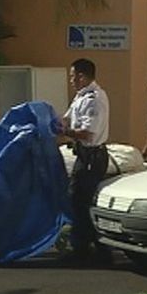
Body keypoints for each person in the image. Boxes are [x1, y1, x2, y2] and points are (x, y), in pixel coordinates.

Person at [61, 58, 111, 264]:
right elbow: (66, 119)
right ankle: (85, 246)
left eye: (73, 76)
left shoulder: (94, 99)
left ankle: (96, 249)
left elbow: (88, 134)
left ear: (82, 76)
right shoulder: (81, 97)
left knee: (81, 202)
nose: (71, 81)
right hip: (83, 156)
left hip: (92, 158)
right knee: (77, 200)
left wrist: (65, 132)